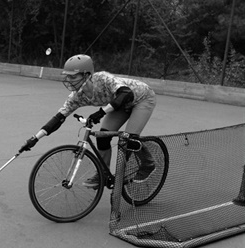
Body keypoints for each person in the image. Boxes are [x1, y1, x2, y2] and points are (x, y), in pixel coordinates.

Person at [20, 54, 156, 188]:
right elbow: (58, 118)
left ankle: (148, 164)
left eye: (73, 77)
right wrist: (35, 139)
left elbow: (126, 94)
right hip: (119, 105)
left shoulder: (103, 79)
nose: (69, 80)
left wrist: (101, 112)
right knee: (103, 136)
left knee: (130, 140)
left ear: (86, 75)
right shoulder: (76, 96)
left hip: (141, 98)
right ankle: (103, 173)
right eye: (67, 76)